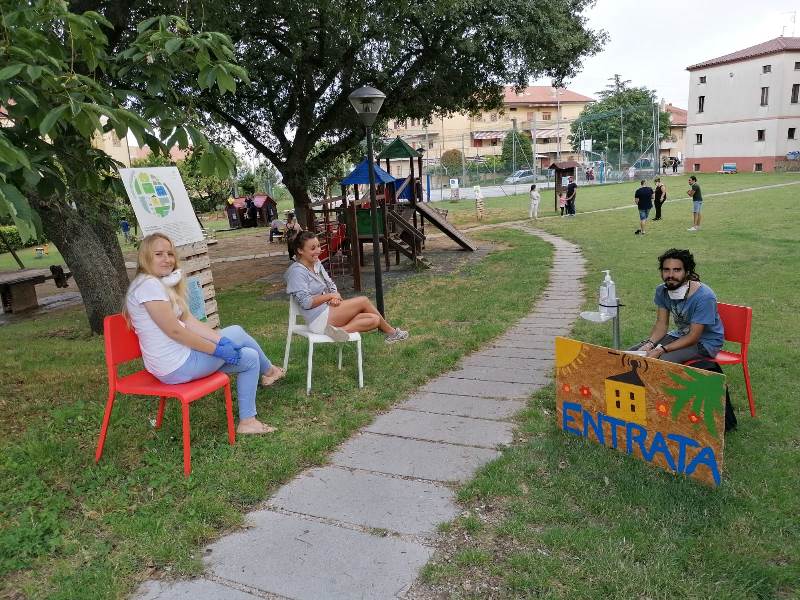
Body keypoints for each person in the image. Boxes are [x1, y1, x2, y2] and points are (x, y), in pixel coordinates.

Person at [124, 233, 284, 435]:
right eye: (158, 254)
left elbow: (189, 321)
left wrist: (221, 342)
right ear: (145, 257)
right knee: (236, 331)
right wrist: (217, 349)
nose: (167, 259)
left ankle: (248, 421)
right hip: (175, 366)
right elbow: (175, 331)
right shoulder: (148, 285)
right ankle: (270, 371)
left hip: (179, 361)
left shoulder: (157, 283)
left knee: (250, 357)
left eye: (170, 254)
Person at [285, 231, 409, 344]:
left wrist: (335, 297)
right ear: (300, 250)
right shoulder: (297, 272)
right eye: (313, 248)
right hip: (317, 319)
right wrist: (330, 296)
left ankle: (338, 331)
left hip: (328, 311)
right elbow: (306, 303)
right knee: (363, 301)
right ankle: (392, 333)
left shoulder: (316, 263)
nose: (318, 251)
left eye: (318, 246)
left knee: (375, 319)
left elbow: (330, 284)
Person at [629, 248, 723, 363]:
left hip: (705, 343)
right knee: (632, 353)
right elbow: (661, 325)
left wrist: (661, 350)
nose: (670, 275)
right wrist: (649, 344)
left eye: (677, 270)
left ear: (687, 272)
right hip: (679, 336)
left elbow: (693, 336)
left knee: (662, 360)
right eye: (666, 270)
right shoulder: (661, 290)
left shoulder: (704, 297)